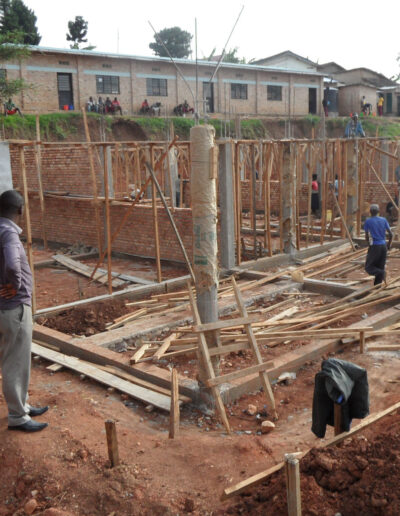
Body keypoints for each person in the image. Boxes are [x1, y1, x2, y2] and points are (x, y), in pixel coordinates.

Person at [0, 190, 48, 432]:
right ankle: (18, 417)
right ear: (20, 210)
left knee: (14, 360)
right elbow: (11, 262)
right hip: (14, 308)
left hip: (5, 310)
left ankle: (23, 405)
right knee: (15, 362)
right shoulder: (8, 233)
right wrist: (15, 284)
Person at [364, 203, 393, 285]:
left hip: (375, 246)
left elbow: (366, 236)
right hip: (383, 246)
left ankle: (382, 273)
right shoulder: (383, 220)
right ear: (378, 211)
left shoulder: (368, 221)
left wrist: (369, 245)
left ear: (370, 212)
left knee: (368, 267)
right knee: (380, 266)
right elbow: (391, 234)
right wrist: (388, 245)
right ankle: (377, 286)